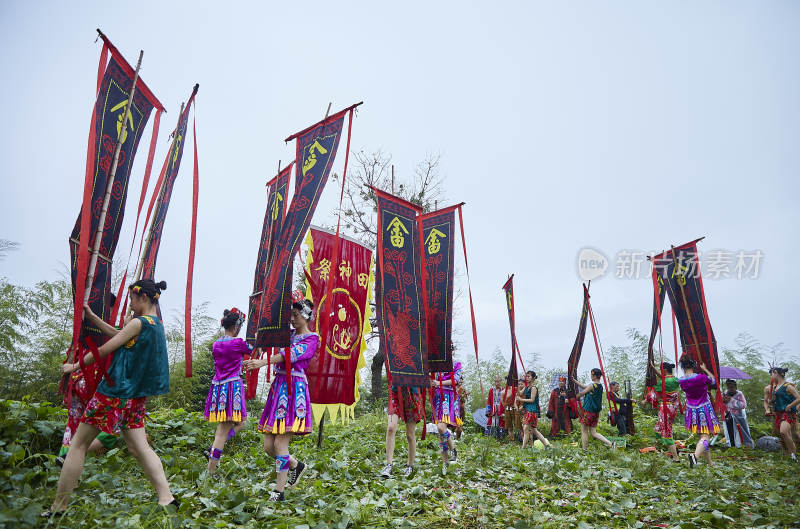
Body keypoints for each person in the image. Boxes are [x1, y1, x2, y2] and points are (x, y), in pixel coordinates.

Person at [44, 280, 177, 517]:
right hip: (135, 398)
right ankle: (166, 498)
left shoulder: (138, 322)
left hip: (114, 394)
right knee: (141, 448)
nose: (131, 304)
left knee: (78, 444)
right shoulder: (155, 325)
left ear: (144, 297)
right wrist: (93, 317)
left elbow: (106, 349)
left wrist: (73, 366)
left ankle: (58, 508)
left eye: (133, 299)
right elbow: (118, 334)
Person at [244, 299, 317, 501]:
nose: (292, 319)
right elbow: (269, 337)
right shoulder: (288, 334)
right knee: (269, 447)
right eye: (291, 315)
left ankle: (279, 491)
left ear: (307, 316)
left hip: (294, 390)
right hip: (278, 389)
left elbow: (289, 355)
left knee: (280, 444)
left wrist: (261, 362)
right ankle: (295, 465)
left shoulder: (312, 339)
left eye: (296, 315)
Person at [203, 308, 251, 477]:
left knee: (238, 424)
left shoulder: (216, 344)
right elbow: (253, 349)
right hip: (232, 388)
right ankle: (211, 470)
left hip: (218, 387)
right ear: (236, 326)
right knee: (222, 432)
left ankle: (212, 451)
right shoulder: (237, 343)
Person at [678, 356, 720, 468]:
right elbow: (713, 380)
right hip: (704, 409)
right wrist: (705, 369)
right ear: (694, 366)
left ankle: (710, 463)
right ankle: (695, 456)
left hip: (692, 411)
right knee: (705, 437)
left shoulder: (681, 380)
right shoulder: (700, 377)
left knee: (701, 437)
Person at [380, 382, 423, 478]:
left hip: (412, 395)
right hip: (396, 392)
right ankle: (388, 465)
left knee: (410, 435)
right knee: (391, 428)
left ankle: (410, 466)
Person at [642, 362, 681, 462]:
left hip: (665, 409)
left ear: (664, 370)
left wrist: (646, 400)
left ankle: (676, 458)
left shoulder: (662, 383)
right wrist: (654, 369)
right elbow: (664, 379)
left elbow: (653, 395)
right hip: (673, 408)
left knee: (666, 433)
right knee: (662, 429)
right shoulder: (676, 380)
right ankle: (673, 451)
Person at [431, 362, 462, 474]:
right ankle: (445, 462)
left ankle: (453, 449)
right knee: (440, 433)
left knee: (440, 428)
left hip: (448, 397)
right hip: (438, 398)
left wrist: (438, 383)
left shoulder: (456, 364)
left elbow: (456, 380)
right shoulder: (437, 364)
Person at [574, 369, 614, 450]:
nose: (591, 376)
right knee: (593, 433)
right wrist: (575, 381)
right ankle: (610, 444)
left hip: (588, 412)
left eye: (592, 375)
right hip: (595, 413)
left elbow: (582, 393)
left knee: (584, 431)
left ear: (595, 376)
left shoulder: (592, 385)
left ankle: (584, 450)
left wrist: (573, 398)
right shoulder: (599, 386)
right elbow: (585, 387)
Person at [768, 367, 800, 460]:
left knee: (784, 431)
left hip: (788, 413)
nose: (771, 376)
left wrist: (790, 406)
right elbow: (776, 400)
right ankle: (791, 454)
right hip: (778, 414)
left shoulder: (788, 386)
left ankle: (794, 455)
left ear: (776, 373)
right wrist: (771, 403)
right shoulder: (774, 387)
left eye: (772, 374)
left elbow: (798, 398)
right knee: (783, 434)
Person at [518, 370, 551, 449]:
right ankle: (546, 445)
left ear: (533, 378)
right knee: (534, 430)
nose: (527, 378)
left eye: (529, 376)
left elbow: (532, 400)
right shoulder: (526, 387)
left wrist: (521, 400)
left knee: (526, 428)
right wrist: (516, 386)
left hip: (532, 410)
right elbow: (519, 393)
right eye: (526, 376)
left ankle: (523, 448)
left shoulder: (533, 388)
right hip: (528, 410)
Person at [722, 379, 754, 449]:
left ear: (736, 387)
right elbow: (724, 405)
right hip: (729, 416)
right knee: (729, 432)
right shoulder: (725, 393)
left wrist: (731, 400)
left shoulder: (739, 394)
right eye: (729, 387)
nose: (730, 389)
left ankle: (747, 446)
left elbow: (743, 405)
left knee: (742, 432)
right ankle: (731, 445)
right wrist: (724, 400)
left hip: (739, 417)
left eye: (732, 388)